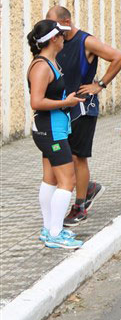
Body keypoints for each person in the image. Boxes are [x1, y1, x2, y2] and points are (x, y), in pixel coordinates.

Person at [46, 6, 121, 226]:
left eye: (55, 25)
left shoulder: (86, 41)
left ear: (67, 21)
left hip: (83, 107)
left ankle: (80, 206)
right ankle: (88, 186)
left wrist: (99, 84)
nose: (53, 30)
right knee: (62, 156)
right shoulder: (56, 42)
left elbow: (119, 58)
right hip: (61, 108)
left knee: (76, 157)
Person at [26, 19, 86, 249]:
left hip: (53, 129)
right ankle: (55, 233)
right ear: (54, 39)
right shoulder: (41, 66)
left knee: (50, 179)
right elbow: (36, 101)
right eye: (62, 35)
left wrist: (66, 102)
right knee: (67, 181)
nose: (64, 38)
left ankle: (49, 228)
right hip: (50, 130)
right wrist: (65, 102)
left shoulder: (50, 61)